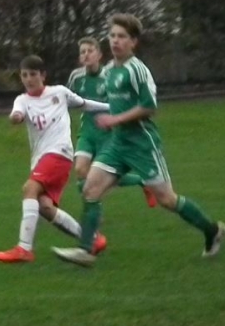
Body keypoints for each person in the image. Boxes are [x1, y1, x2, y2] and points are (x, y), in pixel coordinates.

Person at [53, 14, 225, 267]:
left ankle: (212, 230)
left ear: (133, 42)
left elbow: (149, 107)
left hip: (142, 144)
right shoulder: (109, 70)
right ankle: (86, 250)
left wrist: (115, 119)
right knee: (90, 189)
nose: (115, 41)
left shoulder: (137, 70)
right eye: (112, 36)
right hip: (117, 144)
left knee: (167, 199)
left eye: (122, 36)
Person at [0, 55, 110, 264]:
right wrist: (15, 117)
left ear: (43, 75)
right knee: (44, 207)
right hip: (41, 159)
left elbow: (84, 104)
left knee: (29, 188)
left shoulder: (59, 93)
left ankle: (24, 249)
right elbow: (17, 113)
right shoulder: (22, 100)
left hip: (59, 153)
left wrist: (111, 107)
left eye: (33, 74)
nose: (29, 79)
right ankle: (92, 239)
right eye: (25, 75)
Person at [67, 37, 157, 207]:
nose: (86, 55)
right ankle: (95, 209)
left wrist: (116, 119)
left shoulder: (109, 75)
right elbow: (69, 99)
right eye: (82, 52)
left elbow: (121, 102)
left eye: (90, 51)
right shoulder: (76, 77)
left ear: (99, 55)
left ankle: (141, 181)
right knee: (80, 170)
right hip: (87, 132)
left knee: (105, 176)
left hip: (108, 132)